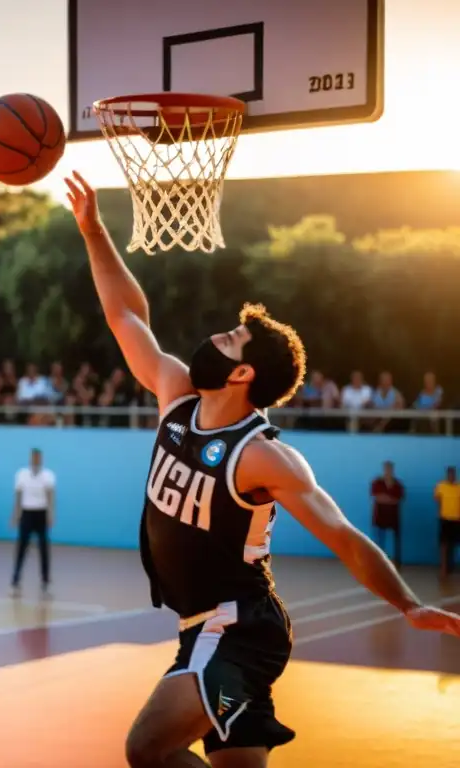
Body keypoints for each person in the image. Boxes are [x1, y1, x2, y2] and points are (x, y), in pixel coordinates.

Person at [64, 170, 460, 768]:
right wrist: (94, 232)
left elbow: (343, 536)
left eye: (231, 340)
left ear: (244, 375)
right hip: (205, 628)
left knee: (147, 748)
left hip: (238, 633)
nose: (217, 336)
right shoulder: (176, 396)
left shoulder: (262, 455)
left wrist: (408, 605)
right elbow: (127, 317)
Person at [10, 448, 55, 598]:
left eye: (38, 458)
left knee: (44, 549)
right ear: (30, 459)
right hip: (26, 513)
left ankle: (45, 584)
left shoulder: (48, 475)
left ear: (41, 459)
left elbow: (50, 495)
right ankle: (15, 582)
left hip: (41, 513)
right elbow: (18, 495)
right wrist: (16, 515)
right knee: (21, 548)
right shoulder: (21, 474)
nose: (36, 460)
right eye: (33, 457)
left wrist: (50, 514)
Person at [370, 461, 404, 567]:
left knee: (394, 544)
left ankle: (394, 564)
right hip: (379, 518)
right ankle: (379, 563)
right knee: (379, 542)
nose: (388, 471)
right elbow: (377, 497)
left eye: (390, 469)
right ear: (383, 469)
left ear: (393, 470)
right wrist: (389, 499)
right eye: (386, 469)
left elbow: (397, 500)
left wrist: (385, 498)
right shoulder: (377, 482)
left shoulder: (398, 484)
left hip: (393, 519)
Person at [435, 466, 460, 579]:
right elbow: (438, 500)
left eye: (453, 474)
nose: (451, 476)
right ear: (446, 475)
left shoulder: (459, 487)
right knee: (444, 545)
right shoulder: (441, 486)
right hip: (445, 519)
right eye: (449, 474)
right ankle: (443, 569)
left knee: (454, 545)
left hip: (457, 520)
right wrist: (441, 513)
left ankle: (452, 567)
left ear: (455, 475)